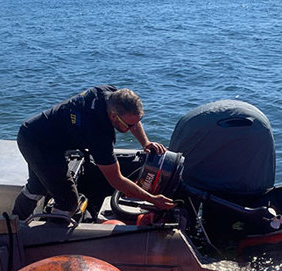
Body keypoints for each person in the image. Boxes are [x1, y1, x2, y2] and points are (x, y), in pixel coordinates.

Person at [12, 85, 175, 221]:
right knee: (68, 201)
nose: (133, 128)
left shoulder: (110, 94)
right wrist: (152, 199)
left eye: (137, 123)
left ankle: (15, 224)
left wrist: (145, 142)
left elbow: (132, 120)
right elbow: (117, 181)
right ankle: (49, 240)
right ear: (113, 116)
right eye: (129, 126)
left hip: (37, 131)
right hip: (38, 143)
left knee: (37, 186)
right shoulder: (98, 133)